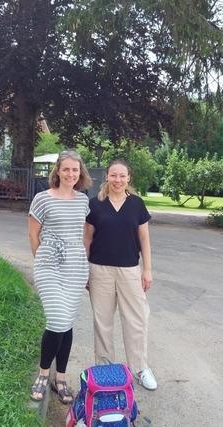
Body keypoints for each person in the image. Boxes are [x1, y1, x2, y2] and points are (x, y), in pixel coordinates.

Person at [84, 159, 157, 390]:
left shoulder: (136, 204)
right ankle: (105, 368)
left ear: (128, 178)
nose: (117, 180)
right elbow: (87, 239)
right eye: (113, 175)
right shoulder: (95, 205)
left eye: (122, 176)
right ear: (107, 177)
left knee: (136, 320)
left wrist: (147, 269)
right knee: (102, 322)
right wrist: (85, 269)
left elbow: (144, 239)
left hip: (129, 270)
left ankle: (140, 368)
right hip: (99, 270)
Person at [28, 150, 92, 404]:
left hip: (75, 266)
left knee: (67, 322)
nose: (70, 174)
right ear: (57, 171)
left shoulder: (83, 201)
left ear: (80, 173)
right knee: (56, 319)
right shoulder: (42, 199)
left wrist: (85, 265)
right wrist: (42, 261)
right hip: (49, 264)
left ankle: (61, 378)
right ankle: (44, 374)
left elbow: (84, 236)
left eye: (75, 170)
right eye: (66, 169)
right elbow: (34, 236)